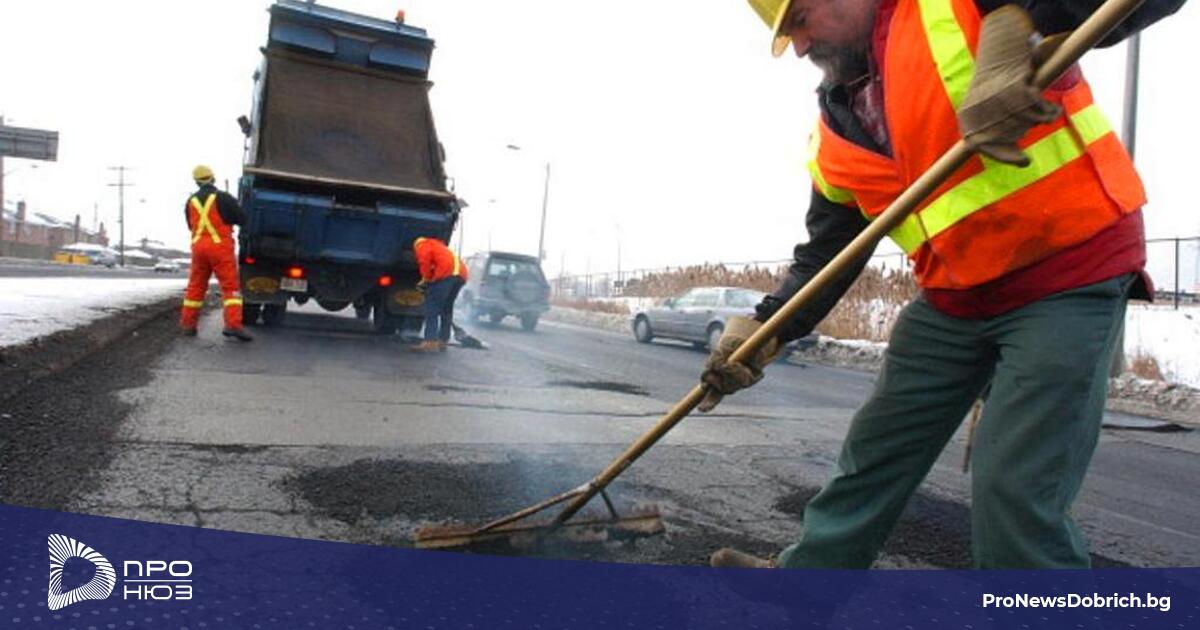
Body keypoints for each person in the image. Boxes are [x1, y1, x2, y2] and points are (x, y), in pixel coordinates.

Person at [703, 0, 1184, 569]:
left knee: (1015, 490)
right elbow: (826, 255)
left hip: (1066, 272)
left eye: (801, 18)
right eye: (789, 35)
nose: (802, 46)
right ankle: (806, 585)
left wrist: (1020, 24)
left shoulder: (953, 6)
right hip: (954, 301)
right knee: (874, 453)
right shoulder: (836, 134)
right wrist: (766, 326)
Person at [180, 165, 252, 342]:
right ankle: (233, 325)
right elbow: (242, 219)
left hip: (198, 248)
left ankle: (188, 325)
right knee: (230, 287)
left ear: (196, 181)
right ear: (213, 178)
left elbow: (190, 225)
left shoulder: (190, 202)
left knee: (195, 287)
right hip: (220, 248)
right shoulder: (223, 198)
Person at [411, 237, 468, 353]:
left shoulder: (422, 245)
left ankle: (430, 341)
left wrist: (426, 279)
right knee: (446, 308)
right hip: (461, 276)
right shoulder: (440, 246)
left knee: (432, 307)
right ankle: (443, 341)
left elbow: (424, 261)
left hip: (446, 274)